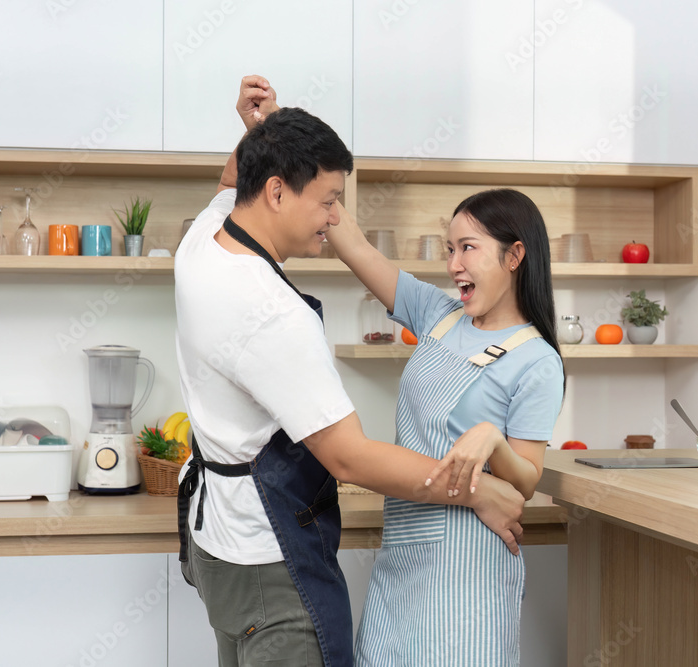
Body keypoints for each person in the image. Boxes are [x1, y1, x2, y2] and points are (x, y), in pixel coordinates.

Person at [173, 76, 526, 667]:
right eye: (329, 200)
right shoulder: (272, 313)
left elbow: (233, 181)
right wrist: (477, 491)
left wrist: (266, 129)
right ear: (277, 192)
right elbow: (350, 457)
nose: (335, 217)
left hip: (219, 547)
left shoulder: (202, 241)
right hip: (273, 561)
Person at [326, 188, 565, 666]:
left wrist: (494, 441)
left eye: (468, 248)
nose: (454, 264)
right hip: (402, 549)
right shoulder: (438, 315)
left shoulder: (537, 361)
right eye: (450, 249)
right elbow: (354, 245)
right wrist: (293, 161)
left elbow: (525, 481)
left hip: (468, 566)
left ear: (515, 255)